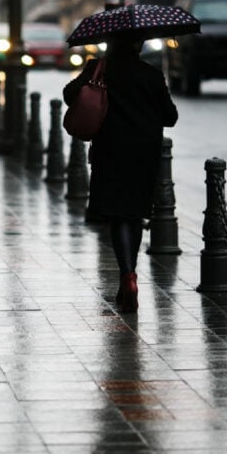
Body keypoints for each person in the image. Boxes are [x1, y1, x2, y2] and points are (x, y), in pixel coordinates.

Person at [63, 37, 178, 313]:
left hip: (110, 150)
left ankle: (127, 276)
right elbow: (170, 117)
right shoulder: (151, 74)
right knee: (134, 214)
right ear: (138, 46)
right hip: (143, 153)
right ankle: (130, 277)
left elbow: (70, 95)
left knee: (117, 215)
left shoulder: (99, 69)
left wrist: (94, 75)